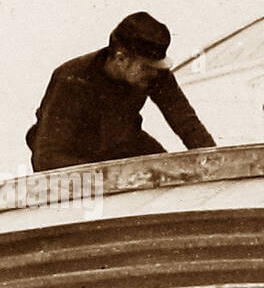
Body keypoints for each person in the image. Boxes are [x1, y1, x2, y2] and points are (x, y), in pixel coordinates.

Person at [27, 12, 214, 171]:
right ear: (121, 59)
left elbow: (186, 122)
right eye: (146, 66)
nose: (155, 73)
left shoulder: (155, 73)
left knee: (170, 171)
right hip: (73, 156)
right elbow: (46, 157)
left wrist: (214, 162)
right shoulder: (71, 80)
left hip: (122, 143)